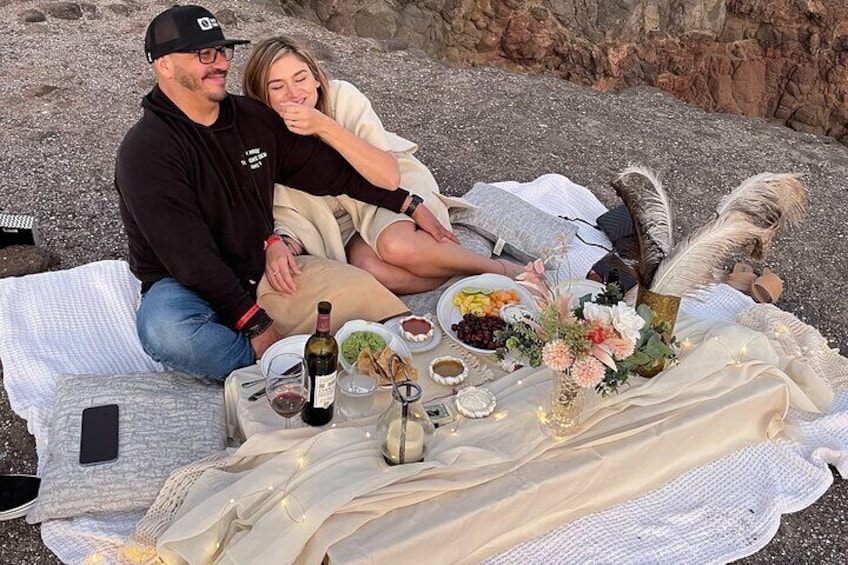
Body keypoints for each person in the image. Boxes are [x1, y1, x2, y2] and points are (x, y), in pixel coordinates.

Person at [115, 5, 450, 380]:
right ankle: (284, 365)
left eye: (223, 51)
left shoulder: (251, 119)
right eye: (204, 54)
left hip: (260, 268)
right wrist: (257, 325)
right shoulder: (145, 151)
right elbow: (189, 257)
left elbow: (330, 173)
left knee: (376, 309)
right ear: (163, 64)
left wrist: (406, 201)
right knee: (165, 332)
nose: (222, 64)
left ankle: (291, 351)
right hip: (184, 282)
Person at [242, 36, 522, 295]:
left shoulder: (342, 97)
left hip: (387, 187)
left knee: (394, 245)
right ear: (261, 97)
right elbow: (281, 208)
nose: (293, 93)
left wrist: (323, 125)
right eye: (277, 87)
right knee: (371, 271)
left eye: (300, 78)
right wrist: (282, 243)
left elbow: (387, 177)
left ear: (316, 78)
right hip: (338, 222)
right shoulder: (262, 138)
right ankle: (465, 279)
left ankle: (502, 271)